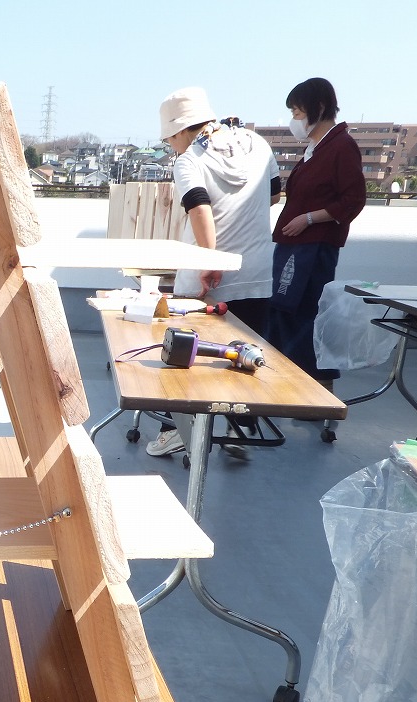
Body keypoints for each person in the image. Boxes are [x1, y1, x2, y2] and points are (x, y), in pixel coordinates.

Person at [146, 87, 282, 459]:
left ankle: (175, 430)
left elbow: (199, 209)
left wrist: (210, 260)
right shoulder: (257, 144)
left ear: (178, 131)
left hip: (207, 277)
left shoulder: (189, 159)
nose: (171, 146)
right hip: (255, 271)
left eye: (168, 140)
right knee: (245, 354)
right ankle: (239, 429)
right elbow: (273, 196)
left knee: (184, 353)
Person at [265, 77, 366, 388]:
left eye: (297, 112)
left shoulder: (341, 146)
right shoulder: (314, 149)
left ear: (318, 108)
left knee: (303, 313)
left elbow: (353, 199)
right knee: (284, 311)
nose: (294, 120)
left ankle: (311, 386)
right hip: (294, 245)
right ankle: (284, 381)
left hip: (313, 247)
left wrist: (309, 219)